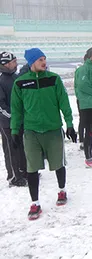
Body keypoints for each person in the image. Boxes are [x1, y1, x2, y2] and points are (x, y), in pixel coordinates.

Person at [10, 48, 77, 220]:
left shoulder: (53, 79)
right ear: (32, 62)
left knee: (58, 163)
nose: (44, 62)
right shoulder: (20, 83)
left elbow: (64, 102)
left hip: (53, 129)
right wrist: (15, 130)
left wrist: (69, 124)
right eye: (40, 59)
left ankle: (62, 191)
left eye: (45, 59)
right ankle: (35, 203)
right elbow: (16, 110)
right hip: (31, 132)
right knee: (31, 168)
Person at [0, 51, 27, 187]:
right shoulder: (1, 81)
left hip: (20, 120)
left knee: (21, 146)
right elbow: (1, 105)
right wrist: (13, 116)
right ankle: (14, 176)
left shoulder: (16, 78)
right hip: (7, 122)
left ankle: (24, 171)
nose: (16, 64)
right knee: (11, 148)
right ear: (6, 64)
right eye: (13, 62)